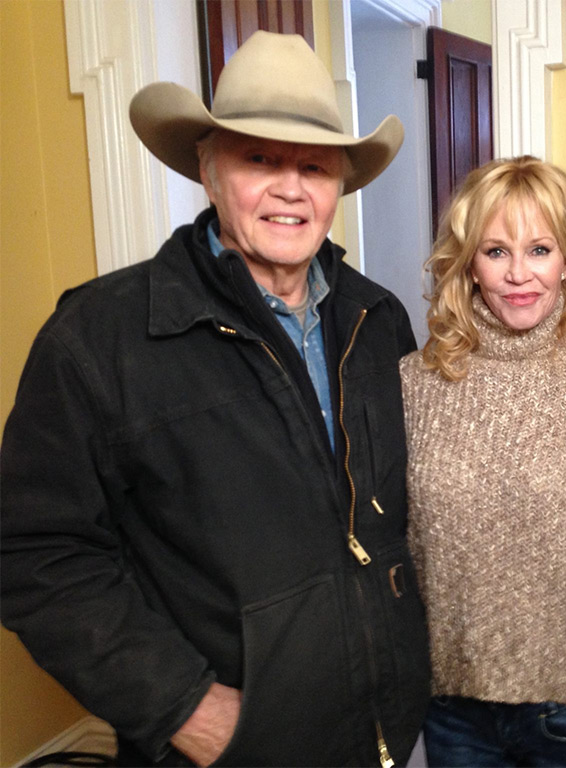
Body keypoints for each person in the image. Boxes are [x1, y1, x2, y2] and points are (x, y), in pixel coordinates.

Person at [1, 32, 429, 767]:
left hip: (380, 734)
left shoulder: (376, 317)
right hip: (226, 751)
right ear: (207, 168)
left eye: (314, 165)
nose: (290, 187)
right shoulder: (98, 339)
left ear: (339, 186)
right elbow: (38, 555)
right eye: (259, 158)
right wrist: (186, 710)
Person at [399, 156, 566, 767]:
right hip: (451, 705)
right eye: (496, 251)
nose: (518, 274)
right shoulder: (414, 383)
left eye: (539, 249)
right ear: (469, 264)